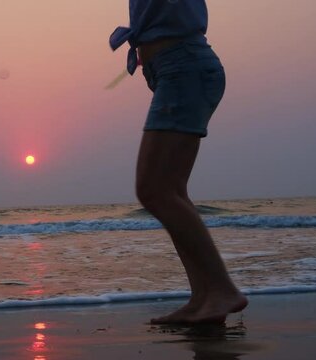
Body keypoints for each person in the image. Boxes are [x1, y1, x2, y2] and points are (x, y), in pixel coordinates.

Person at [110, 0, 248, 324]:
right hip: (177, 70)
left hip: (183, 67)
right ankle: (204, 297)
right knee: (170, 190)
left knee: (153, 190)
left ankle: (222, 290)